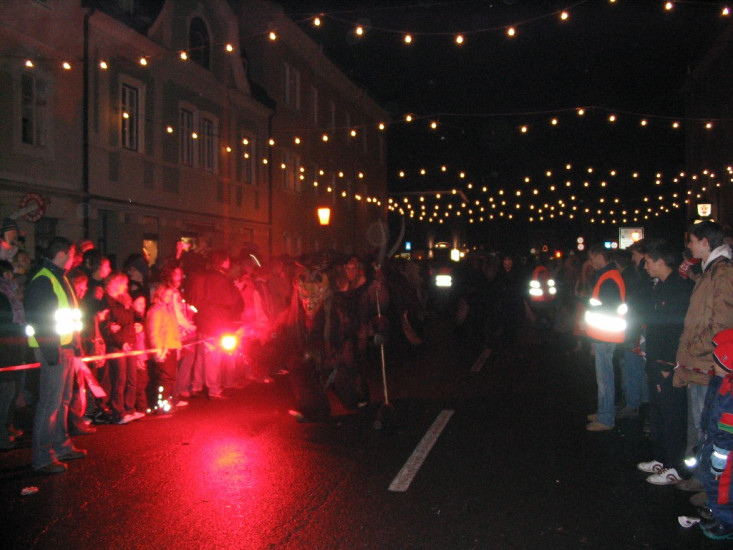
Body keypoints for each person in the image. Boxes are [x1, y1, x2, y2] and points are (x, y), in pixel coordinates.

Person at [674, 221, 733, 495]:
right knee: (701, 424)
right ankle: (703, 480)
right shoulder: (712, 272)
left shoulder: (722, 273)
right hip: (702, 362)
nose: (689, 246)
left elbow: (721, 326)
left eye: (692, 240)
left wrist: (692, 349)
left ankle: (711, 488)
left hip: (707, 364)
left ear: (705, 242)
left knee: (707, 426)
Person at [24, 237, 87, 474]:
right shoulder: (44, 279)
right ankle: (43, 456)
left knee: (62, 401)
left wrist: (75, 344)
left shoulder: (58, 277)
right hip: (54, 349)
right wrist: (52, 352)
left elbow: (69, 314)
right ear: (61, 255)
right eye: (71, 255)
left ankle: (61, 446)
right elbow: (40, 320)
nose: (73, 260)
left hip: (64, 347)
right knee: (50, 403)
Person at [635, 240, 692, 485]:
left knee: (672, 416)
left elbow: (676, 331)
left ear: (660, 261)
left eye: (648, 261)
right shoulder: (660, 287)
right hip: (654, 359)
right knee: (658, 414)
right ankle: (661, 459)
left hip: (667, 363)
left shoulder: (679, 289)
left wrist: (669, 365)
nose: (645, 266)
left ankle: (675, 467)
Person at [186, 249, 243, 399]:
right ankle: (214, 389)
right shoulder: (222, 280)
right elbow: (233, 301)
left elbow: (194, 300)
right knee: (213, 358)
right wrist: (236, 289)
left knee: (201, 357)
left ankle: (196, 386)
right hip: (216, 323)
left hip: (202, 321)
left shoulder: (201, 277)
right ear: (224, 262)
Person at [585, 243, 626, 431]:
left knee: (605, 379)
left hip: (605, 335)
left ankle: (606, 418)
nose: (590, 262)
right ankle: (604, 411)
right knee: (605, 377)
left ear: (600, 257)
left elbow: (607, 309)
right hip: (605, 334)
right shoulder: (609, 276)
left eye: (592, 258)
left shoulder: (608, 278)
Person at [697, 332, 733, 540]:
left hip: (724, 451)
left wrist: (720, 455)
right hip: (714, 442)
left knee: (722, 486)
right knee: (713, 481)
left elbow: (728, 429)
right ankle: (717, 512)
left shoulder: (730, 394)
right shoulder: (723, 384)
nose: (713, 364)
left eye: (717, 361)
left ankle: (726, 522)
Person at [100, 272, 144, 425]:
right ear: (115, 284)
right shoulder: (106, 302)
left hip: (130, 342)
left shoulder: (125, 300)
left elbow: (130, 320)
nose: (126, 286)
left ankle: (129, 408)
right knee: (119, 379)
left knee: (131, 379)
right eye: (124, 283)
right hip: (117, 345)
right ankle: (118, 412)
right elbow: (108, 328)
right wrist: (121, 342)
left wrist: (139, 325)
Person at [146, 284, 186, 413]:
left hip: (172, 346)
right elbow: (153, 331)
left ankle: (167, 402)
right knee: (164, 378)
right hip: (163, 349)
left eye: (171, 295)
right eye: (167, 295)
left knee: (170, 378)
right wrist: (157, 350)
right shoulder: (155, 311)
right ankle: (160, 404)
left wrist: (178, 347)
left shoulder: (169, 310)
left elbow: (174, 330)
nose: (169, 298)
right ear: (160, 294)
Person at [0, 259, 25, 450]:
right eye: (6, 274)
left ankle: (7, 427)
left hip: (14, 346)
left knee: (13, 389)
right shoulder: (2, 295)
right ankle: (2, 434)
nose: (11, 277)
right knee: (6, 391)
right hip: (5, 349)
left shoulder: (11, 293)